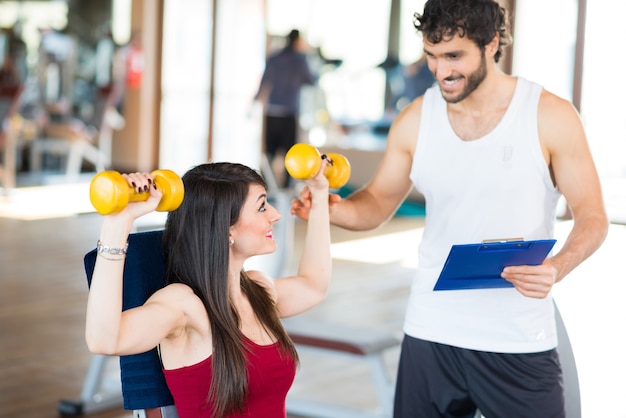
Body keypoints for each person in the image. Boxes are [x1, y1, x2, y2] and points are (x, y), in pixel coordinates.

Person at [292, 0, 608, 416]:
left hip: (516, 337)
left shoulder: (549, 115)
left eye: (454, 56)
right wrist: (331, 210)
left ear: (491, 43)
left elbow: (593, 217)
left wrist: (558, 266)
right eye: (432, 57)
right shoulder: (417, 118)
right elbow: (376, 203)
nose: (441, 71)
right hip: (431, 331)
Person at [85, 161, 331, 417]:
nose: (275, 214)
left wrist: (320, 193)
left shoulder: (259, 290)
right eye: (261, 207)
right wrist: (118, 223)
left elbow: (314, 285)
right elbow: (104, 339)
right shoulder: (184, 307)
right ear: (226, 227)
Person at [255, 29, 316, 188]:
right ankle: (286, 189)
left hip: (272, 110)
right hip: (289, 111)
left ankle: (264, 186)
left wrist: (255, 100)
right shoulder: (299, 59)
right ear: (297, 41)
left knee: (269, 152)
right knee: (291, 154)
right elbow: (310, 80)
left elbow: (264, 80)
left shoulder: (274, 57)